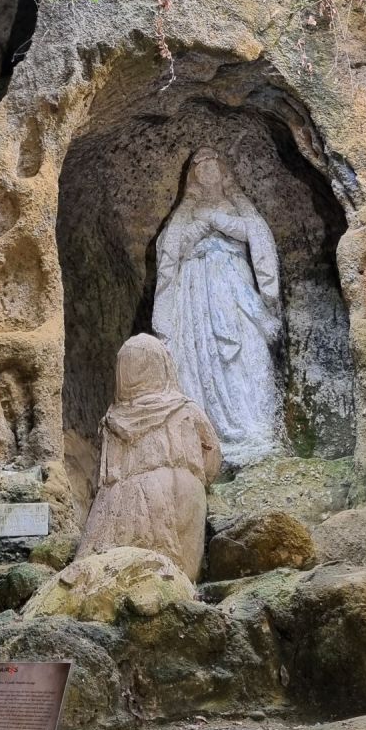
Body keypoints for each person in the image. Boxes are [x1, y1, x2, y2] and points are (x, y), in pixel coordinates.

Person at [152, 147, 282, 465]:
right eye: (200, 165)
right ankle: (205, 434)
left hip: (235, 284)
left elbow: (256, 231)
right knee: (200, 352)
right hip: (195, 291)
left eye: (213, 163)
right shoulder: (186, 210)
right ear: (193, 175)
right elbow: (170, 249)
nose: (207, 169)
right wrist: (197, 229)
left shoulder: (237, 203)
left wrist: (218, 220)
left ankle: (256, 427)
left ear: (223, 170)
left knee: (250, 351)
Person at [76, 335, 221, 582]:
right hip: (181, 491)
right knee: (179, 578)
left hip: (122, 500)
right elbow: (213, 458)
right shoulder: (186, 409)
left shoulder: (112, 420)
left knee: (106, 571)